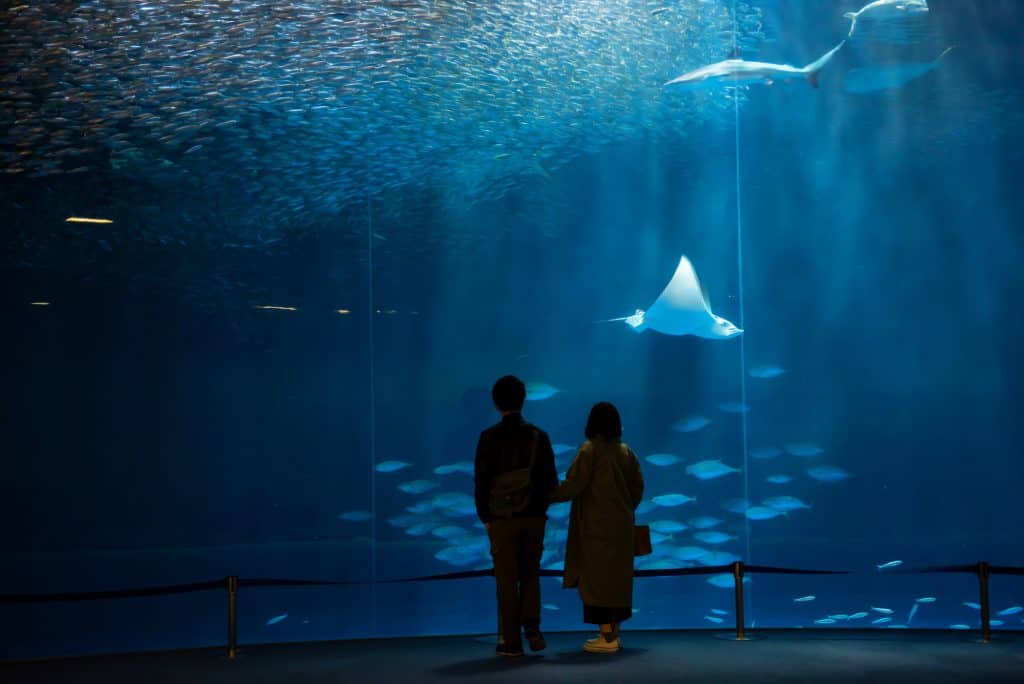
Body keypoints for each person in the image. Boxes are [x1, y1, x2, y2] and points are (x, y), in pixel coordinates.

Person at [474, 375, 558, 657]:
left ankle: (510, 642)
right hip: (533, 517)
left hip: (500, 519)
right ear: (524, 400)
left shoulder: (488, 437)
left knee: (506, 580)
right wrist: (539, 509)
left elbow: (481, 481)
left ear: (496, 403)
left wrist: (486, 517)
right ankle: (532, 628)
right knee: (531, 574)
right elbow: (550, 480)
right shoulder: (538, 436)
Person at [550, 401, 644, 653]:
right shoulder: (626, 451)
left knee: (597, 580)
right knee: (617, 581)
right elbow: (638, 487)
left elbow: (574, 485)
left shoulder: (590, 450)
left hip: (595, 528)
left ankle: (606, 637)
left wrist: (545, 495)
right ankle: (613, 633)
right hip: (622, 527)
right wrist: (624, 510)